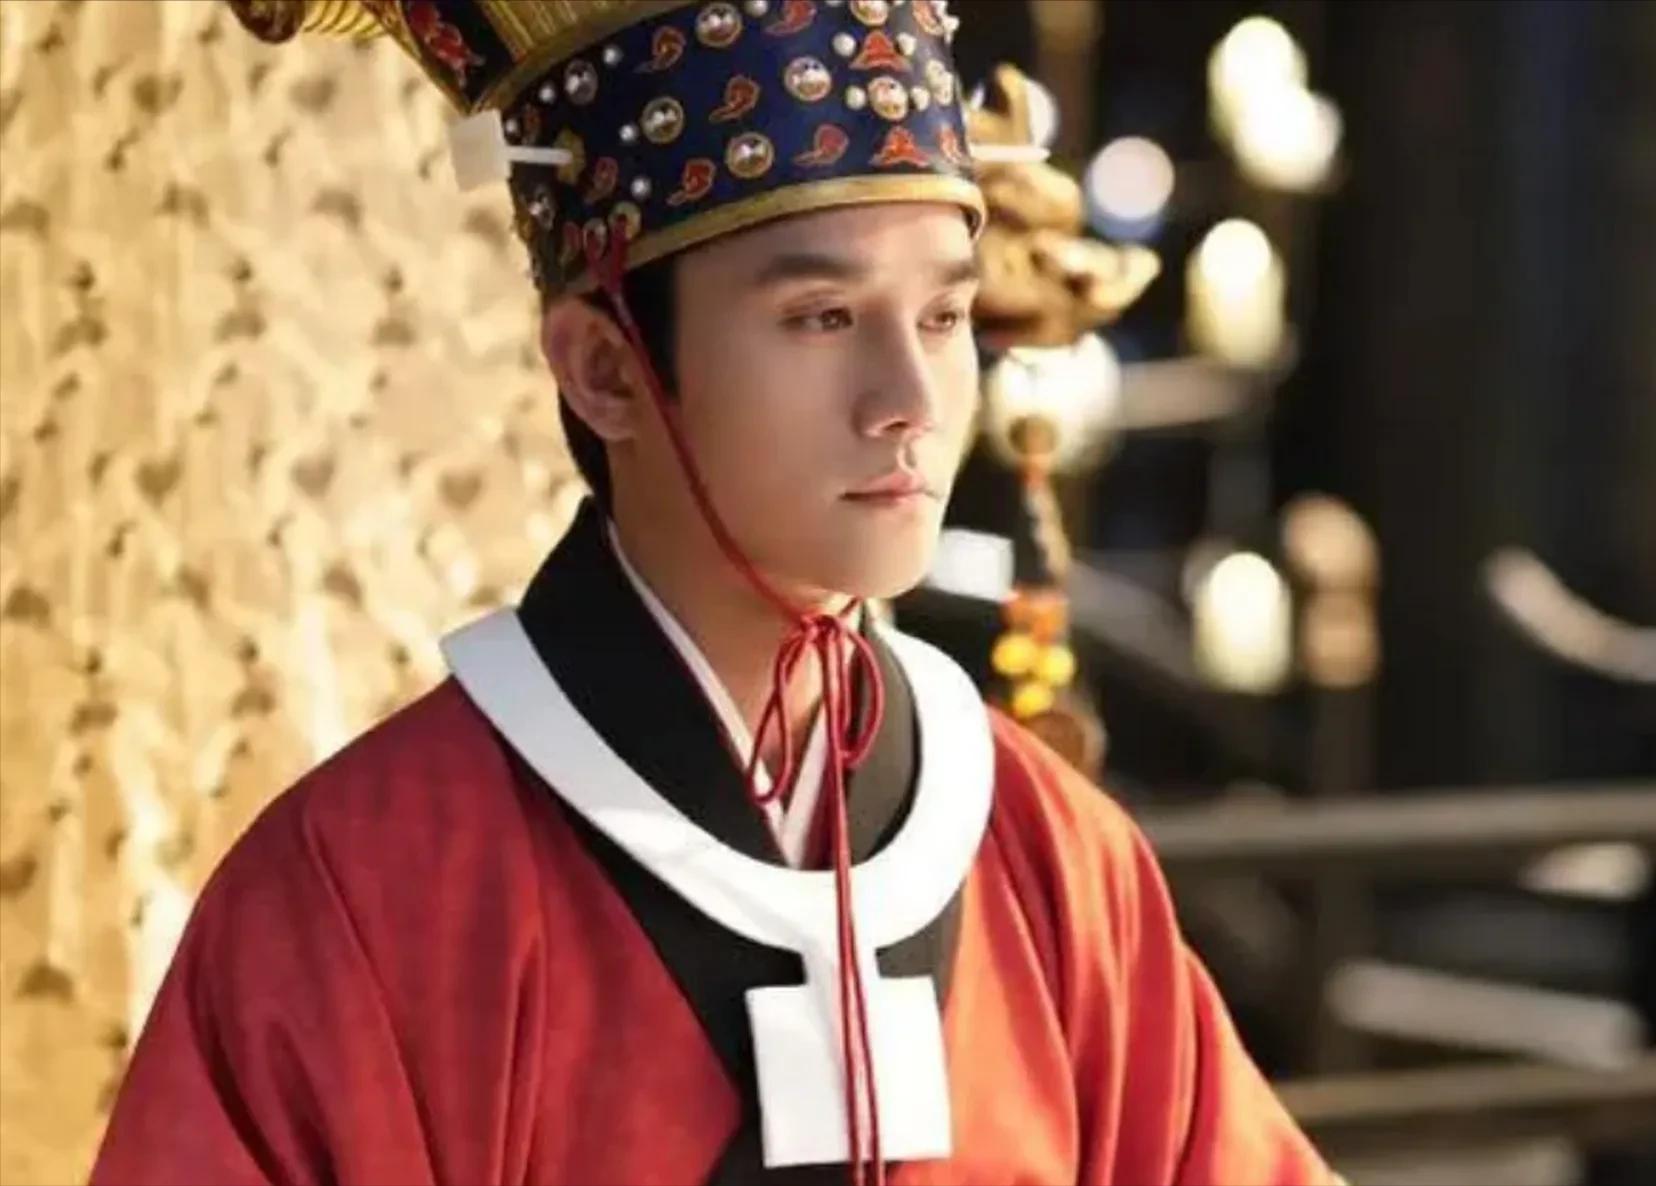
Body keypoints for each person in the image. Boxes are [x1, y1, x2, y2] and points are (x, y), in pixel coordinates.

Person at [92, 2, 1338, 1184]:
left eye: (946, 313)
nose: (909, 398)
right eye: (823, 315)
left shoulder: (1052, 852)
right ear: (604, 369)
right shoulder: (364, 888)